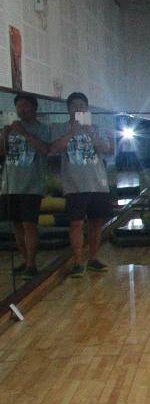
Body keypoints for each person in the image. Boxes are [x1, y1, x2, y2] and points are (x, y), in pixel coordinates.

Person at [50, 92, 115, 278]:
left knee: (96, 223)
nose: (78, 109)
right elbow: (54, 149)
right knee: (76, 223)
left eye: (81, 106)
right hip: (74, 185)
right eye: (74, 106)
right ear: (68, 109)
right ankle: (78, 262)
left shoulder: (96, 128)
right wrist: (72, 131)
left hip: (98, 184)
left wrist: (90, 132)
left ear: (87, 108)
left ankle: (93, 259)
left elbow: (108, 151)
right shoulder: (60, 128)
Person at [0, 93, 54, 279]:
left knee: (29, 224)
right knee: (17, 225)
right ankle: (25, 260)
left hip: (32, 185)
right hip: (10, 185)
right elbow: (2, 153)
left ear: (34, 108)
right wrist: (5, 133)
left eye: (25, 106)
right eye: (19, 106)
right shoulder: (9, 129)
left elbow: (45, 149)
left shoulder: (42, 129)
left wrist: (23, 132)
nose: (22, 109)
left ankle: (31, 264)